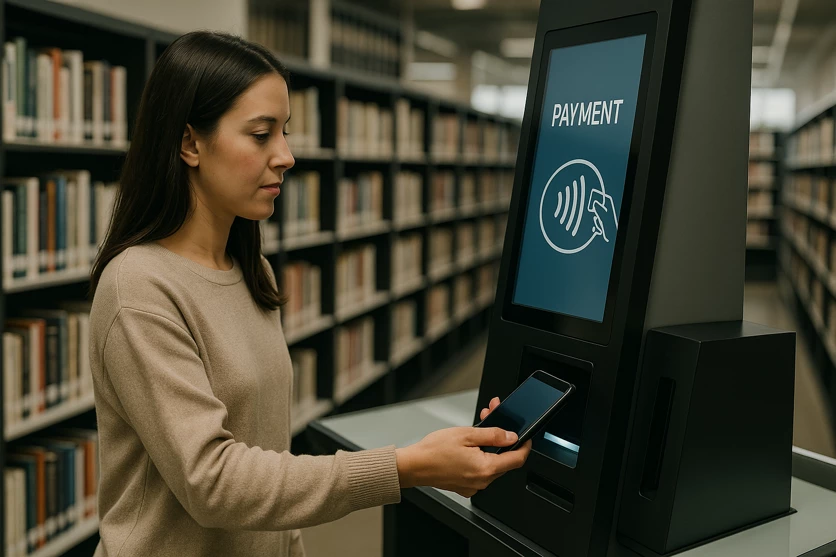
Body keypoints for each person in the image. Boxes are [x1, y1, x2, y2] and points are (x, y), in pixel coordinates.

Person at [87, 31, 531, 557]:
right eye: (260, 134)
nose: (287, 156)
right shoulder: (140, 287)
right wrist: (405, 467)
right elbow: (214, 483)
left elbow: (268, 455)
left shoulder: (255, 274)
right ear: (190, 144)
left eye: (286, 132)